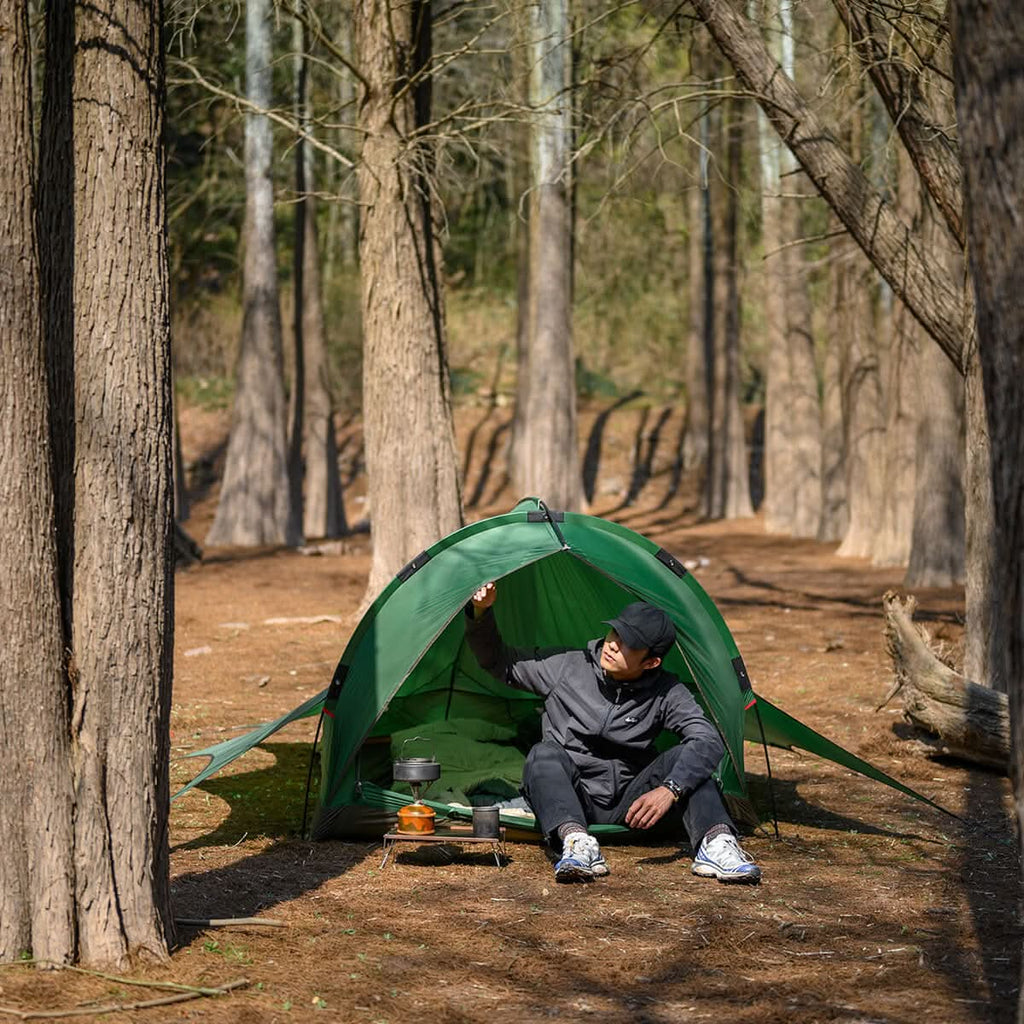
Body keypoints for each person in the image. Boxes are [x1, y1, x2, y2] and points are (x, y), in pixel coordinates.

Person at [465, 582, 761, 884]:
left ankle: (717, 845)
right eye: (616, 632)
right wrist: (481, 612)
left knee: (691, 762)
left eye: (630, 642)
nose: (614, 644)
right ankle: (577, 844)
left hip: (634, 807)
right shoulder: (567, 666)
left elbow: (708, 739)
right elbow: (500, 662)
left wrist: (669, 789)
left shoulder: (667, 692)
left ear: (651, 662)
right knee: (544, 754)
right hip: (572, 798)